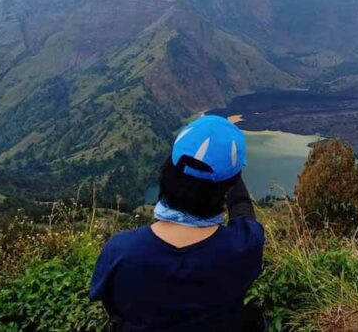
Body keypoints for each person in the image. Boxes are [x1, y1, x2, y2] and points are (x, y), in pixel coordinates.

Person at [90, 115, 265, 332]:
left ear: (167, 173)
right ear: (228, 188)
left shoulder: (121, 251)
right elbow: (242, 209)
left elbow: (112, 307)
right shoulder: (243, 247)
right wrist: (226, 165)